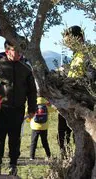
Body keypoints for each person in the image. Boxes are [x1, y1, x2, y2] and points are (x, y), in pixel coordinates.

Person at [0, 39, 37, 176]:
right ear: (7, 50)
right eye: (16, 50)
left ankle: (13, 164)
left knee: (15, 138)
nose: (19, 54)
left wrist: (32, 108)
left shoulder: (26, 68)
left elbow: (32, 91)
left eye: (21, 51)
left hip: (18, 109)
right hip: (0, 109)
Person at [57, 25, 86, 158]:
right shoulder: (76, 56)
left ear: (78, 38)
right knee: (62, 132)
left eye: (69, 41)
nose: (67, 45)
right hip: (69, 100)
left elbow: (88, 78)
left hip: (81, 102)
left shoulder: (87, 55)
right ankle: (67, 158)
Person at [28, 95, 51, 160]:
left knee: (33, 142)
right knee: (45, 142)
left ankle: (31, 157)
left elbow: (27, 111)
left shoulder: (33, 103)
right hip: (44, 127)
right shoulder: (46, 104)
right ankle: (48, 155)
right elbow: (53, 109)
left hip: (35, 126)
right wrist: (50, 104)